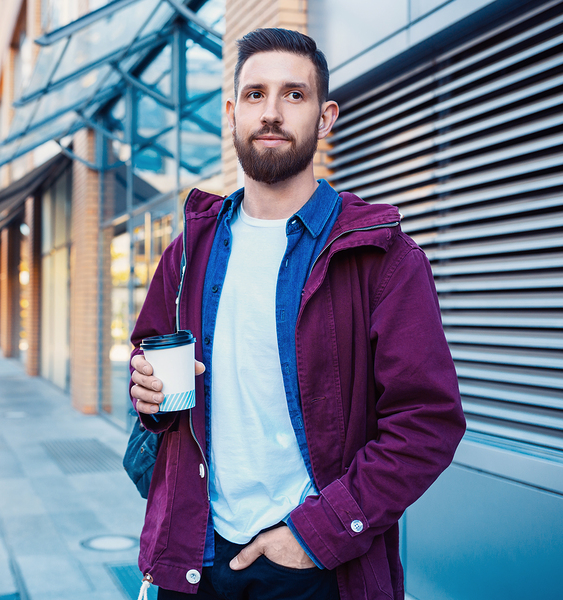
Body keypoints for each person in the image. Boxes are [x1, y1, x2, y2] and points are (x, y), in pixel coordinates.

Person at [128, 28, 465, 600]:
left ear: (325, 117)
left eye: (294, 94)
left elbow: (427, 421)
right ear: (232, 114)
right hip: (195, 555)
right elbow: (148, 368)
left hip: (316, 566)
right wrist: (148, 395)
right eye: (255, 94)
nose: (272, 112)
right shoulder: (187, 251)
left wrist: (317, 535)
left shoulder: (381, 256)